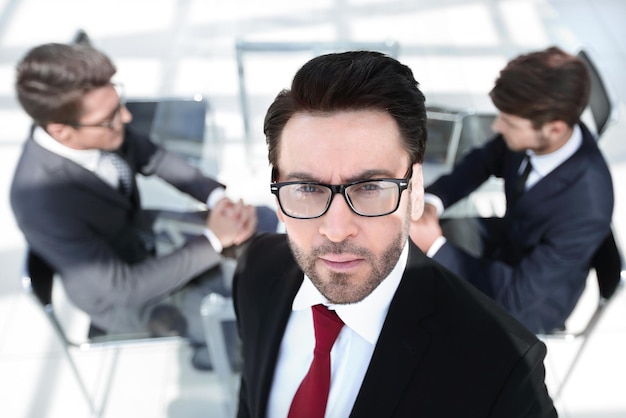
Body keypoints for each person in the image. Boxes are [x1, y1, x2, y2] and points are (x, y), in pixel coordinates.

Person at [232, 51, 557, 417]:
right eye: (307, 189)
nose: (336, 230)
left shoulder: (503, 367)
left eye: (370, 188)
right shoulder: (256, 271)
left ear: (415, 190)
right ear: (277, 192)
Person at [10, 42, 277, 352]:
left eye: (119, 103)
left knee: (264, 224)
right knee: (252, 323)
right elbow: (123, 289)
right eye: (109, 117)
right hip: (126, 295)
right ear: (61, 131)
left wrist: (217, 199)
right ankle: (217, 352)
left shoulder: (98, 126)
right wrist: (214, 239)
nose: (125, 117)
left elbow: (154, 157)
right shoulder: (39, 202)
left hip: (144, 234)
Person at [411, 46, 614, 334]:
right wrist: (431, 202)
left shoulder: (587, 205)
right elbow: (482, 161)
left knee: (419, 313)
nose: (497, 126)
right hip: (505, 240)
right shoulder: (539, 132)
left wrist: (435, 246)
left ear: (554, 129)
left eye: (509, 122)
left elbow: (517, 299)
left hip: (527, 301)